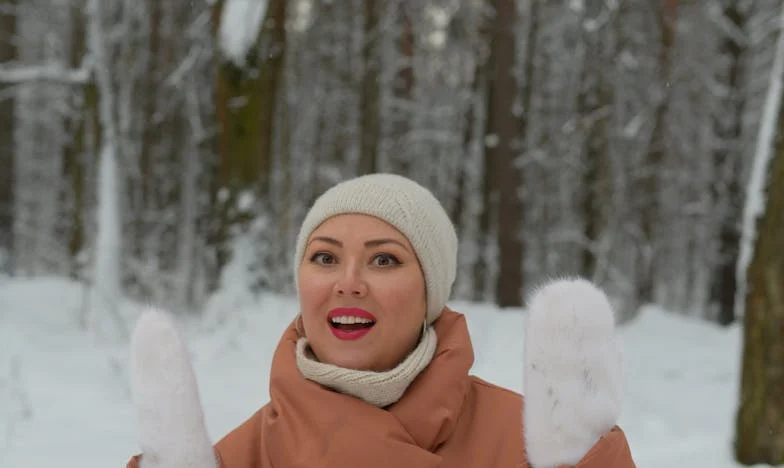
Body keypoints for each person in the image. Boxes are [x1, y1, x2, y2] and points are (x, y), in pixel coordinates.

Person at [125, 173, 636, 468]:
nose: (348, 282)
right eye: (325, 258)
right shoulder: (248, 453)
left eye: (384, 260)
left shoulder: (533, 442)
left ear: (430, 291)